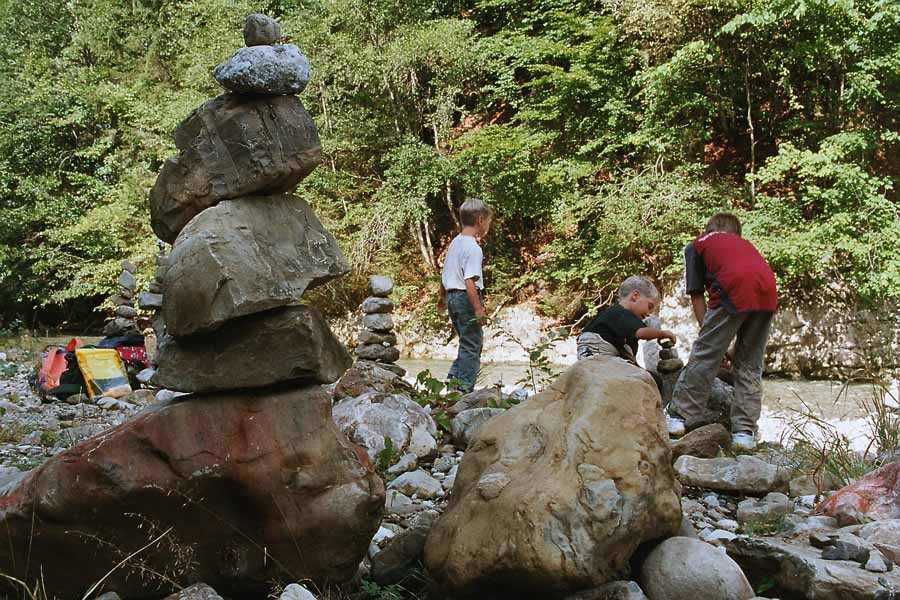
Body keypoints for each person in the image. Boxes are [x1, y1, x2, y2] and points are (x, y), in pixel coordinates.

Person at [666, 212, 777, 451]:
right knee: (749, 364)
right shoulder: (746, 246)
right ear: (736, 234)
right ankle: (744, 434)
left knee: (705, 357)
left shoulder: (698, 245)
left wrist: (712, 342)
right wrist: (730, 349)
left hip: (734, 287)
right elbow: (751, 286)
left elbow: (697, 296)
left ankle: (678, 417)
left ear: (708, 229)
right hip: (767, 292)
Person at [438, 199, 493, 393]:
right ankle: (463, 388)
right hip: (465, 297)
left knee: (466, 341)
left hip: (452, 296)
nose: (488, 226)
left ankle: (453, 381)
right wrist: (478, 308)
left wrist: (442, 297)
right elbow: (470, 281)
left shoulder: (455, 243)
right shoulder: (473, 248)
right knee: (473, 343)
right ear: (480, 220)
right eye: (488, 221)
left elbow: (445, 271)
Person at [577, 276, 677, 364]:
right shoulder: (623, 313)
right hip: (599, 353)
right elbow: (642, 333)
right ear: (635, 296)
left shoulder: (610, 314)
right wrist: (663, 333)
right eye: (649, 306)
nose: (647, 314)